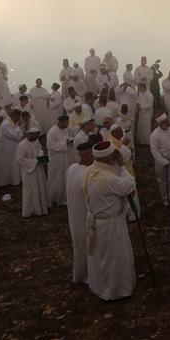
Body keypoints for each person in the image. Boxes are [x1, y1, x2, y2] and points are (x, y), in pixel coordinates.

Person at [85, 140, 138, 301]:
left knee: (101, 256)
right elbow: (129, 185)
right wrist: (122, 166)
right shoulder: (108, 178)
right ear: (110, 159)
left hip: (96, 221)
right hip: (111, 224)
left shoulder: (90, 171)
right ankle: (116, 290)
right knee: (114, 258)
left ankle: (100, 285)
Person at [66, 141, 94, 285]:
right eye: (90, 154)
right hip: (83, 215)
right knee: (85, 245)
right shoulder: (86, 174)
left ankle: (80, 273)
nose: (93, 157)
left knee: (80, 245)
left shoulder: (72, 168)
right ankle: (86, 275)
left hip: (73, 214)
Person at [17, 127, 49, 217]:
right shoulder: (22, 145)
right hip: (29, 172)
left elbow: (39, 149)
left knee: (40, 188)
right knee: (30, 190)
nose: (36, 138)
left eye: (37, 136)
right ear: (29, 134)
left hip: (38, 169)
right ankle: (30, 211)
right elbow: (20, 160)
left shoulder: (36, 141)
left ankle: (42, 208)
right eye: (34, 136)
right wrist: (35, 162)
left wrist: (42, 156)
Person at [46, 115, 74, 206]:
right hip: (56, 159)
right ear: (60, 122)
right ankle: (53, 197)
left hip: (64, 157)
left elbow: (66, 138)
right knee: (55, 177)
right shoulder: (52, 131)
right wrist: (64, 143)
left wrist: (69, 141)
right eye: (66, 123)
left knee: (63, 176)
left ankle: (63, 197)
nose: (67, 125)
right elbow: (50, 146)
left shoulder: (65, 129)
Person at [149, 114, 170, 206]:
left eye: (167, 121)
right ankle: (165, 198)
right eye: (164, 122)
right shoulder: (155, 135)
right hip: (162, 163)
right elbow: (154, 151)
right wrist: (164, 162)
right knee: (163, 182)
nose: (166, 123)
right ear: (159, 123)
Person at [0, 110, 24, 188]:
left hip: (13, 147)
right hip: (8, 148)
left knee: (15, 164)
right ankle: (13, 181)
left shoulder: (11, 123)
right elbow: (15, 136)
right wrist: (18, 126)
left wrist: (18, 129)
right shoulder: (6, 124)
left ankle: (17, 179)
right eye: (18, 118)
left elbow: (19, 135)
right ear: (14, 116)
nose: (18, 120)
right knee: (11, 164)